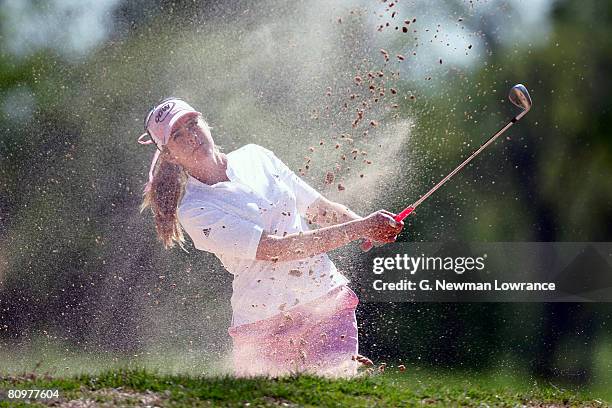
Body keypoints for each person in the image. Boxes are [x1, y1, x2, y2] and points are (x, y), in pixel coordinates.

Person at [138, 97, 403, 377]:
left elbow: (318, 208)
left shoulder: (256, 156)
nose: (192, 136)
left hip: (326, 302)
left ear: (204, 122)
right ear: (168, 155)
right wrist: (359, 229)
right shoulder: (194, 208)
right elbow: (275, 249)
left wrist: (367, 223)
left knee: (336, 392)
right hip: (263, 322)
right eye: (177, 136)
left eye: (193, 124)